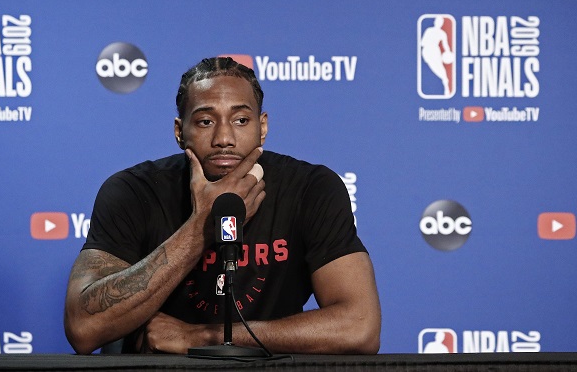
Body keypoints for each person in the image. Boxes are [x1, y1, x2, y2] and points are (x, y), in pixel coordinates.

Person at [64, 57, 381, 355]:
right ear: (180, 132)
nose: (224, 138)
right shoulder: (133, 192)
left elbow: (360, 327)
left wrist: (201, 337)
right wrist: (200, 226)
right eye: (205, 121)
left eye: (241, 120)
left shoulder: (311, 189)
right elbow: (83, 328)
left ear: (262, 127)